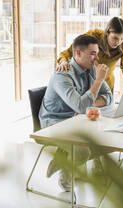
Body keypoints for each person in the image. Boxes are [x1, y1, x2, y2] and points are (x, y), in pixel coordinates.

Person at [39, 34, 113, 191]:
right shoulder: (63, 75)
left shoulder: (91, 70)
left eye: (97, 53)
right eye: (92, 53)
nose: (96, 58)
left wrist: (88, 102)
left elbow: (109, 97)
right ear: (78, 53)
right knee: (81, 150)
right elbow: (80, 106)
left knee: (107, 136)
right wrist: (98, 81)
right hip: (54, 123)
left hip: (77, 119)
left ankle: (62, 159)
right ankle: (65, 175)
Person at [56, 17, 123, 91]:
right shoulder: (93, 36)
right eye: (115, 38)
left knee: (108, 106)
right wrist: (63, 62)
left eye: (122, 38)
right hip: (88, 84)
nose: (118, 42)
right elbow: (68, 52)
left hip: (107, 84)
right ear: (107, 32)